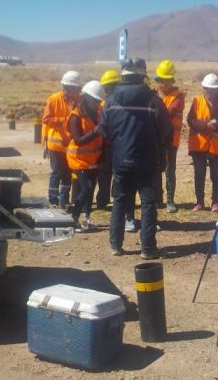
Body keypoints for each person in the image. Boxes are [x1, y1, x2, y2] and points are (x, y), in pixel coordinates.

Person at [97, 57, 172, 258]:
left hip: (121, 161)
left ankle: (115, 245)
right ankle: (147, 249)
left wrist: (119, 141)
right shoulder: (153, 100)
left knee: (120, 202)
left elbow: (103, 129)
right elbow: (166, 129)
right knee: (148, 203)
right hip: (146, 162)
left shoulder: (111, 101)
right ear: (142, 77)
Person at [187, 73, 218, 212]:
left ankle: (215, 203)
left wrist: (216, 127)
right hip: (199, 146)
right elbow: (191, 120)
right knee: (199, 174)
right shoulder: (196, 102)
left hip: (217, 147)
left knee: (216, 175)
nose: (210, 91)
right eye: (207, 88)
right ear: (203, 88)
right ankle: (199, 202)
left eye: (213, 89)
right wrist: (206, 126)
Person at [66, 81, 105, 231]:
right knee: (86, 189)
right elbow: (79, 140)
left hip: (93, 159)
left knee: (91, 188)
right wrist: (95, 131)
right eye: (95, 101)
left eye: (98, 101)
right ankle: (74, 217)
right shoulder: (76, 116)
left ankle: (86, 219)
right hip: (78, 160)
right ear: (87, 99)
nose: (97, 104)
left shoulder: (98, 114)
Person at [42, 70, 81, 209]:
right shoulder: (54, 99)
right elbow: (46, 119)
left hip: (70, 145)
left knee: (67, 174)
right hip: (56, 144)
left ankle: (64, 202)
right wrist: (64, 120)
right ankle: (53, 201)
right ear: (67, 87)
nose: (77, 90)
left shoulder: (78, 100)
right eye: (75, 88)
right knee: (56, 173)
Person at [154, 60, 186, 214]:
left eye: (165, 81)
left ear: (171, 81)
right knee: (156, 169)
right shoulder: (154, 95)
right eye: (160, 81)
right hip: (156, 139)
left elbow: (167, 113)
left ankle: (170, 200)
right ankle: (158, 199)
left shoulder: (178, 97)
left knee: (169, 170)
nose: (162, 84)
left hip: (171, 140)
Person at [95, 69, 122, 209]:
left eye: (108, 87)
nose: (106, 90)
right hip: (105, 144)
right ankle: (102, 199)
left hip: (116, 144)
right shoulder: (101, 104)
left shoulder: (121, 103)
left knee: (117, 172)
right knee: (104, 173)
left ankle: (116, 198)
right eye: (105, 87)